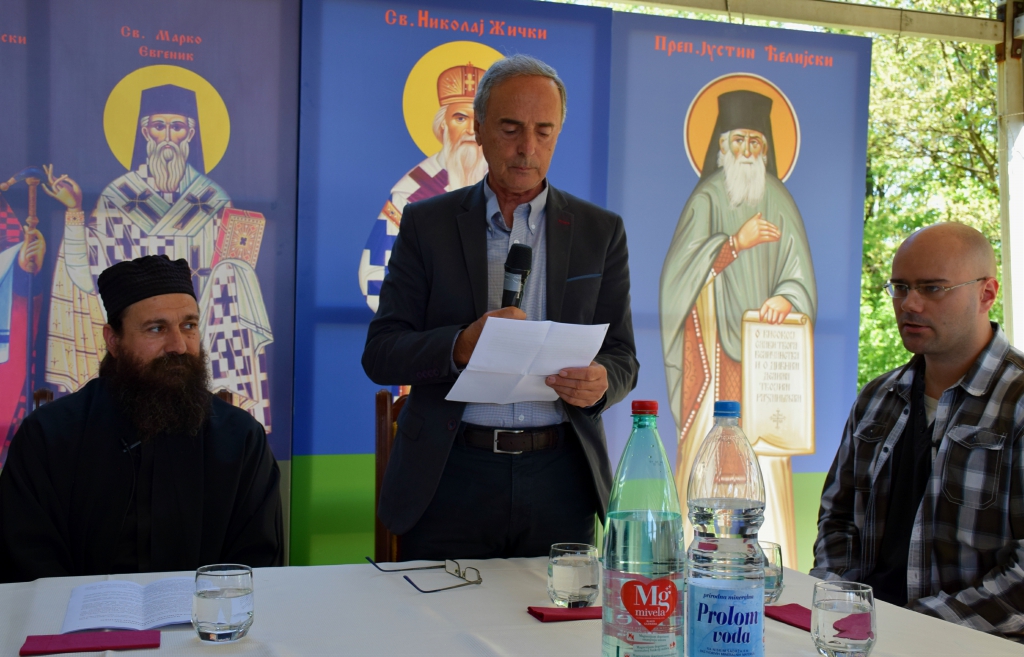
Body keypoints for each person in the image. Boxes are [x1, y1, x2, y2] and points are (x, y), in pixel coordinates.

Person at [363, 54, 638, 560]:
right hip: (451, 473)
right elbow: (381, 353)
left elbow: (623, 357)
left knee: (554, 614)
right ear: (480, 128)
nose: (528, 148)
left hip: (562, 478)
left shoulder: (600, 231)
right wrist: (458, 346)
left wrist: (602, 382)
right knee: (440, 612)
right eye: (511, 129)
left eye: (544, 131)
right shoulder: (427, 224)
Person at [0, 255, 282, 583]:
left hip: (203, 615)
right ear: (113, 340)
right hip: (77, 616)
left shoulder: (241, 439)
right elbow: (27, 562)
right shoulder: (48, 436)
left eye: (189, 326)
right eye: (156, 328)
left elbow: (256, 563)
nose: (178, 345)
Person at [812, 223, 1024, 641]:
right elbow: (837, 519)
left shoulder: (1016, 402)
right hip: (859, 636)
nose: (909, 304)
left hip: (973, 642)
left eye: (932, 288)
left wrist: (910, 628)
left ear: (987, 293)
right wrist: (838, 602)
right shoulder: (877, 398)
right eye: (900, 287)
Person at [41, 83, 273, 430]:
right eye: (158, 126)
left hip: (207, 317)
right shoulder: (118, 196)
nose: (167, 137)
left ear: (190, 134)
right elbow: (85, 274)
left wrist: (231, 269)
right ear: (145, 132)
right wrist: (74, 212)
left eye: (176, 127)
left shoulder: (211, 197)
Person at [659, 89, 816, 557]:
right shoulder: (707, 196)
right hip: (713, 354)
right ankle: (697, 553)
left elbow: (799, 274)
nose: (747, 151)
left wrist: (787, 298)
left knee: (764, 458)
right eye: (738, 141)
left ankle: (769, 554)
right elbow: (678, 277)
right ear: (721, 146)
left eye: (755, 142)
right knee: (709, 454)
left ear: (766, 147)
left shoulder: (779, 199)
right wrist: (733, 245)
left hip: (765, 361)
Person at [359, 62, 490, 312]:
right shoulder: (413, 193)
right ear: (442, 125)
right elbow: (373, 275)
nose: (470, 130)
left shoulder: (504, 185)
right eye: (460, 118)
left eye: (478, 120)